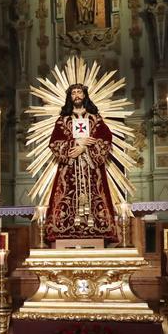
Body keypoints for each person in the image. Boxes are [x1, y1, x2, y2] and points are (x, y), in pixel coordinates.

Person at [44, 83, 117, 242]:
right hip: (69, 170)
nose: (77, 95)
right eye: (73, 93)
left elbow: (106, 140)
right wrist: (74, 143)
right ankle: (64, 230)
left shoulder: (95, 119)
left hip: (91, 170)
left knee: (96, 197)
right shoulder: (62, 121)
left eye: (79, 92)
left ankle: (97, 231)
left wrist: (84, 148)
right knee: (66, 197)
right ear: (70, 97)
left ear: (84, 95)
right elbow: (54, 143)